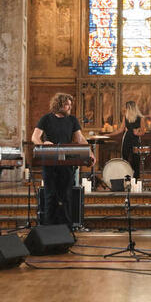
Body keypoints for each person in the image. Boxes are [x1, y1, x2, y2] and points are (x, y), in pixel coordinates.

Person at [31, 93, 92, 226]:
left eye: (70, 105)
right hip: (49, 161)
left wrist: (90, 152)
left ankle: (66, 228)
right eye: (66, 105)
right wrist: (43, 143)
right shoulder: (46, 119)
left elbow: (80, 138)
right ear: (59, 105)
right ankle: (49, 228)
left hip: (67, 162)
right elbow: (35, 137)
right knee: (50, 195)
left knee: (66, 196)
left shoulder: (72, 120)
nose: (69, 107)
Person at [110, 101, 145, 179]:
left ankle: (136, 179)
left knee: (136, 159)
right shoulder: (125, 117)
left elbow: (143, 131)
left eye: (126, 107)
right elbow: (121, 130)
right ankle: (125, 177)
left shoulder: (140, 118)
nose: (125, 109)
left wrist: (137, 134)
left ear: (130, 108)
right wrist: (109, 134)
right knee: (124, 158)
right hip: (126, 139)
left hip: (136, 140)